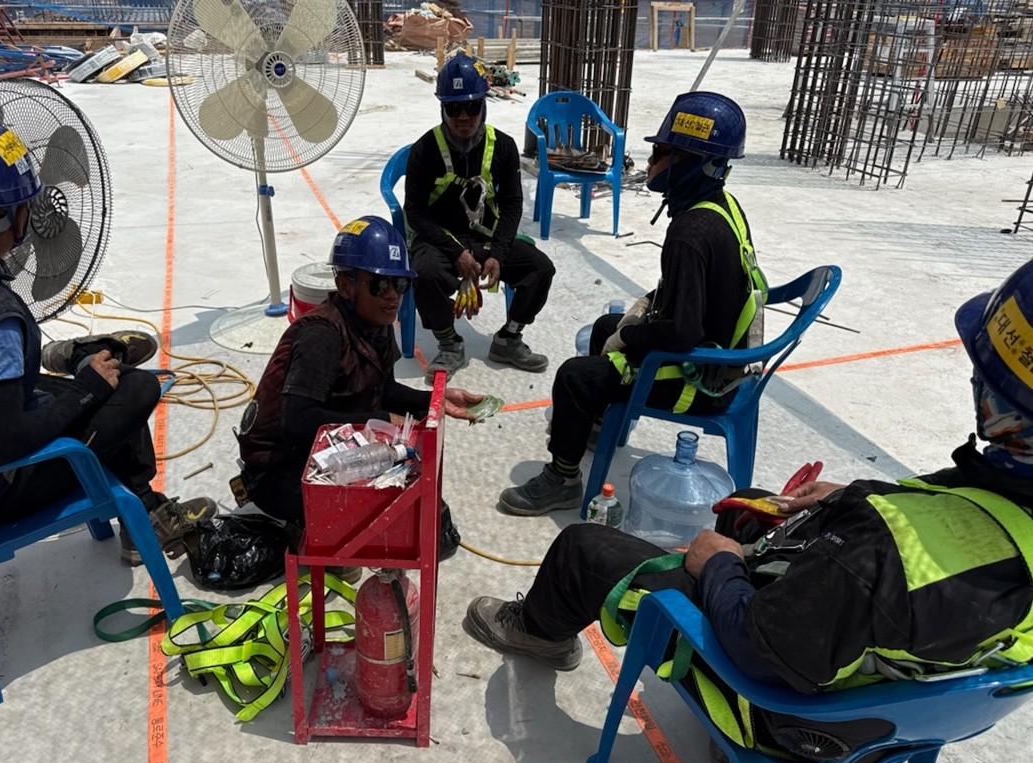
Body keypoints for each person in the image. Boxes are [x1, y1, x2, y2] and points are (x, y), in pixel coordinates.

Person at [465, 261, 1033, 760]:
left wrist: (719, 564)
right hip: (889, 709)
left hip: (784, 713)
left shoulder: (876, 555)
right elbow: (949, 525)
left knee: (582, 549)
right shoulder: (1009, 501)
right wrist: (851, 496)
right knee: (747, 509)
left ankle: (539, 632)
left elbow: (760, 649)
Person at [499, 92, 764, 516]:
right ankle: (598, 422)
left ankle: (562, 479)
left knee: (574, 377)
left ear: (689, 161)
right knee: (606, 327)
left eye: (660, 152)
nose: (652, 161)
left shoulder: (690, 233)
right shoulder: (721, 206)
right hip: (723, 359)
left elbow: (682, 333)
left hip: (699, 380)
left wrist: (633, 336)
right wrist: (637, 316)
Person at [0, 120, 216, 566]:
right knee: (134, 387)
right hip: (1, 486)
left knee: (104, 375)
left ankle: (80, 358)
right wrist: (84, 393)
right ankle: (145, 511)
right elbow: (4, 443)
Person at [236, 215, 483, 562]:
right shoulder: (322, 335)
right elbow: (297, 421)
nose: (392, 296)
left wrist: (435, 401)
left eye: (400, 284)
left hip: (321, 450)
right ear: (345, 286)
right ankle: (313, 533)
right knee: (408, 506)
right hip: (278, 471)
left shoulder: (375, 323)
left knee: (425, 510)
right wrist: (377, 419)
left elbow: (384, 389)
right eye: (379, 285)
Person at [404, 51, 555, 383]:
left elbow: (513, 205)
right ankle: (448, 342)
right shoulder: (425, 149)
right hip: (440, 240)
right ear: (442, 108)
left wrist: (498, 253)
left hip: (484, 238)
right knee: (425, 273)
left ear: (484, 104)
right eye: (453, 108)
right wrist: (455, 252)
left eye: (471, 107)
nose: (463, 117)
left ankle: (508, 338)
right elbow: (415, 212)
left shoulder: (503, 146)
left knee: (540, 268)